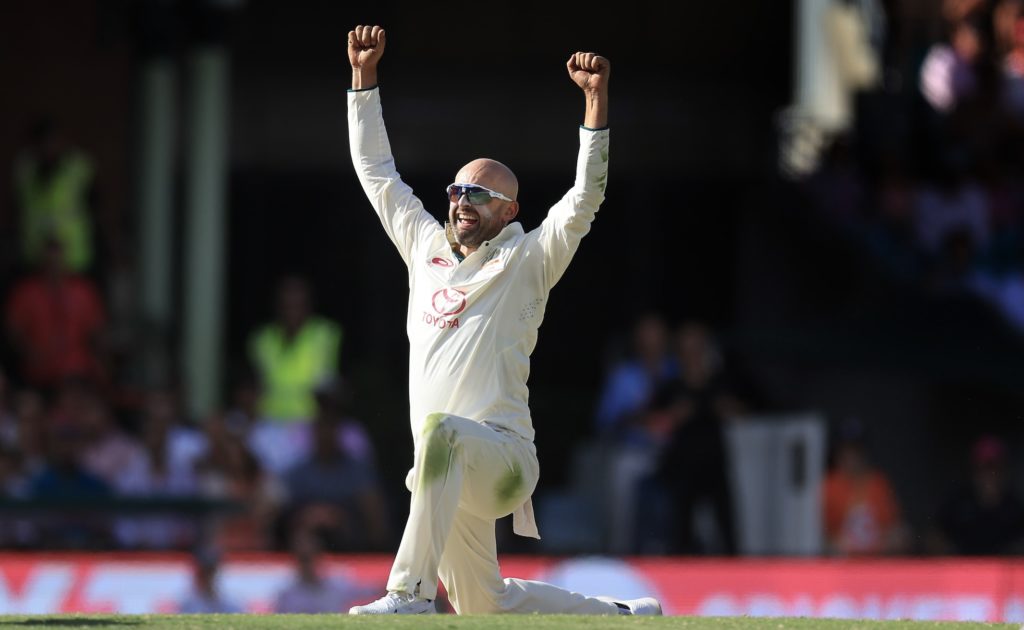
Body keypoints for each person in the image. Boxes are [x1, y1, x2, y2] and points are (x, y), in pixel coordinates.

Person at [344, 25, 659, 616]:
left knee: (440, 430)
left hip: (505, 460)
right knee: (485, 605)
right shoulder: (424, 247)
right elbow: (377, 174)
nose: (462, 200)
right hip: (444, 473)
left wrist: (595, 106)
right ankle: (623, 615)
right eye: (457, 189)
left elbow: (585, 198)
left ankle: (406, 594)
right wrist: (363, 81)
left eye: (478, 194)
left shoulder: (528, 261)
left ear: (509, 211)